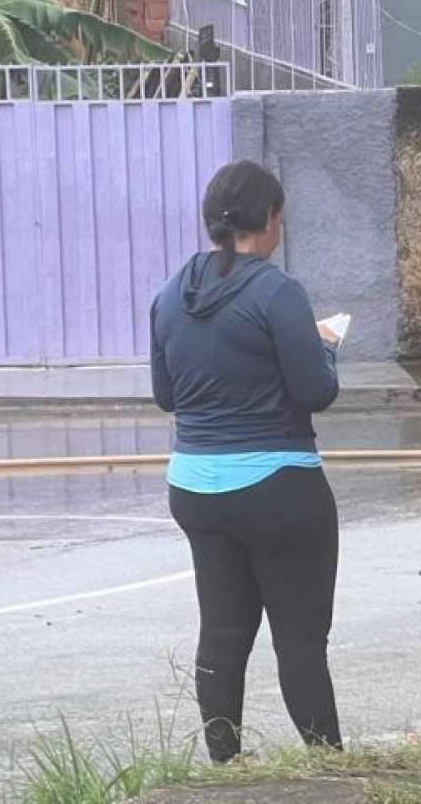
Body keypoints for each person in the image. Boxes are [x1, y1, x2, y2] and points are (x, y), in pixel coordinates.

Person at [152, 159, 344, 764]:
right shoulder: (276, 291)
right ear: (270, 218)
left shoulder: (168, 294)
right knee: (300, 640)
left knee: (224, 631)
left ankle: (226, 767)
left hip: (194, 487)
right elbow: (316, 392)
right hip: (278, 489)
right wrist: (325, 348)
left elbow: (167, 397)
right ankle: (329, 767)